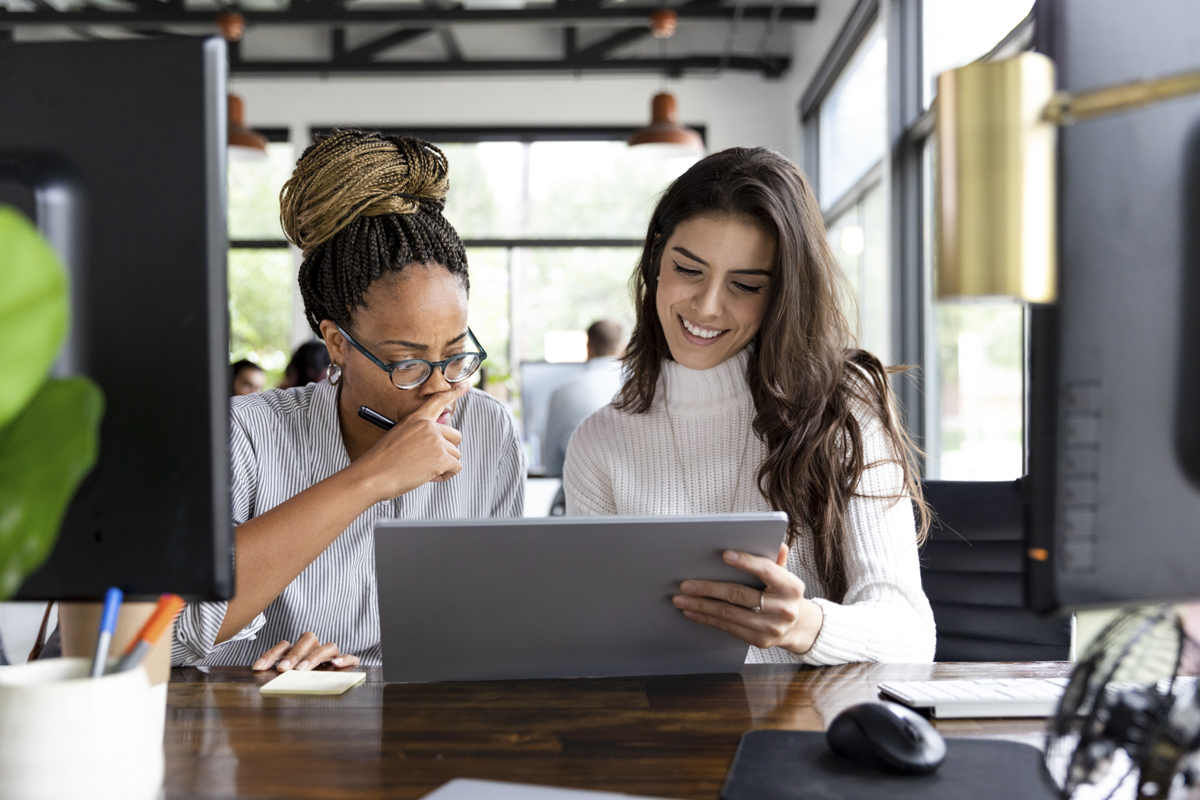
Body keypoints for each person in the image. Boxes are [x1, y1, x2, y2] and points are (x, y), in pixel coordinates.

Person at [563, 147, 934, 666]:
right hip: (662, 733)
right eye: (688, 270)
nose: (707, 306)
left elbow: (911, 635)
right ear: (655, 260)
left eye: (745, 285)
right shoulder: (599, 443)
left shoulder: (843, 409)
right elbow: (594, 640)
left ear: (782, 294)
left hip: (807, 735)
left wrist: (805, 625)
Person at [173, 131, 524, 672]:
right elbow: (173, 632)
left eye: (455, 355)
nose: (439, 388)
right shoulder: (244, 435)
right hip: (259, 738)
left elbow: (497, 628)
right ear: (338, 343)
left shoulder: (487, 430)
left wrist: (370, 668)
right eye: (407, 362)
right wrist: (371, 480)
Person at [540, 319, 625, 478]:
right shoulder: (642, 387)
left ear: (588, 348)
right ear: (623, 348)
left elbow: (552, 467)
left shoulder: (562, 392)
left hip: (579, 489)